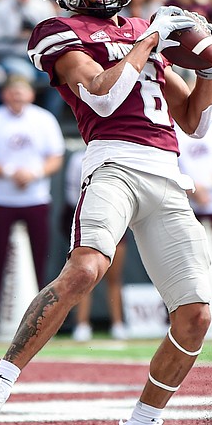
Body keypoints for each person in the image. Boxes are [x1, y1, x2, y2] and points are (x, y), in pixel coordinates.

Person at [0, 0, 212, 425]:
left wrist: (208, 66)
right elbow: (103, 98)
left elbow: (195, 123)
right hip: (115, 163)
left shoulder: (140, 29)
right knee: (85, 268)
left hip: (168, 172)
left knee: (196, 314)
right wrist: (150, 41)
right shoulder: (58, 30)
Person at [0, 75, 65, 342]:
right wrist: (10, 171)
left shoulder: (43, 119)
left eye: (21, 92)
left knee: (39, 261)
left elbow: (55, 157)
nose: (17, 97)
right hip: (1, 199)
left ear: (31, 95)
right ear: (4, 95)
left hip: (35, 198)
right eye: (12, 92)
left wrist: (35, 173)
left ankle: (39, 324)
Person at [65, 146, 129, 342]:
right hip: (89, 222)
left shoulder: (120, 154)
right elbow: (71, 193)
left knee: (114, 277)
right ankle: (82, 324)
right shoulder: (78, 158)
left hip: (115, 221)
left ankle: (118, 323)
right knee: (85, 275)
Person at [176, 116, 212, 250]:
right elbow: (168, 167)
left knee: (211, 260)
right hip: (181, 209)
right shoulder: (172, 129)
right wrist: (192, 190)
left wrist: (206, 186)